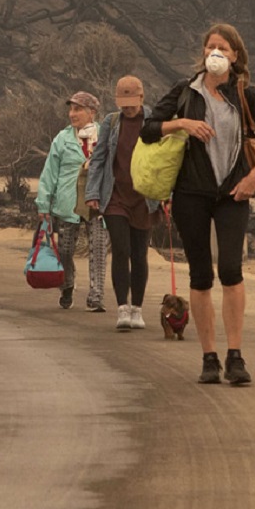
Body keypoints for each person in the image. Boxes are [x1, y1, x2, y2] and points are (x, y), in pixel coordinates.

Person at [141, 24, 255, 385]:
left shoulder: (245, 94)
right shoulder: (185, 92)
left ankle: (235, 356)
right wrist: (183, 123)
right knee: (200, 275)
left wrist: (253, 178)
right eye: (210, 46)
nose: (215, 52)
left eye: (223, 47)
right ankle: (208, 357)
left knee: (231, 270)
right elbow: (149, 127)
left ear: (235, 55)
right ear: (202, 53)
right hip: (191, 194)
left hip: (233, 193)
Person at [86, 76, 162, 332]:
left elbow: (165, 159)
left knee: (139, 254)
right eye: (123, 103)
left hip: (145, 198)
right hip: (115, 195)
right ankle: (122, 308)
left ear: (142, 98)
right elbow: (98, 158)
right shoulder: (112, 122)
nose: (127, 108)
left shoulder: (154, 121)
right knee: (121, 249)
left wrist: (166, 195)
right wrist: (92, 192)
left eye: (132, 102)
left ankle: (137, 308)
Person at [37, 92, 102, 311]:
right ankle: (67, 284)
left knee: (98, 249)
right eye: (71, 109)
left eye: (78, 109)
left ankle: (96, 296)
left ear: (91, 112)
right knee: (65, 250)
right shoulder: (63, 139)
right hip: (67, 203)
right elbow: (49, 173)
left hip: (97, 203)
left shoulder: (104, 136)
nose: (72, 114)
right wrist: (43, 204)